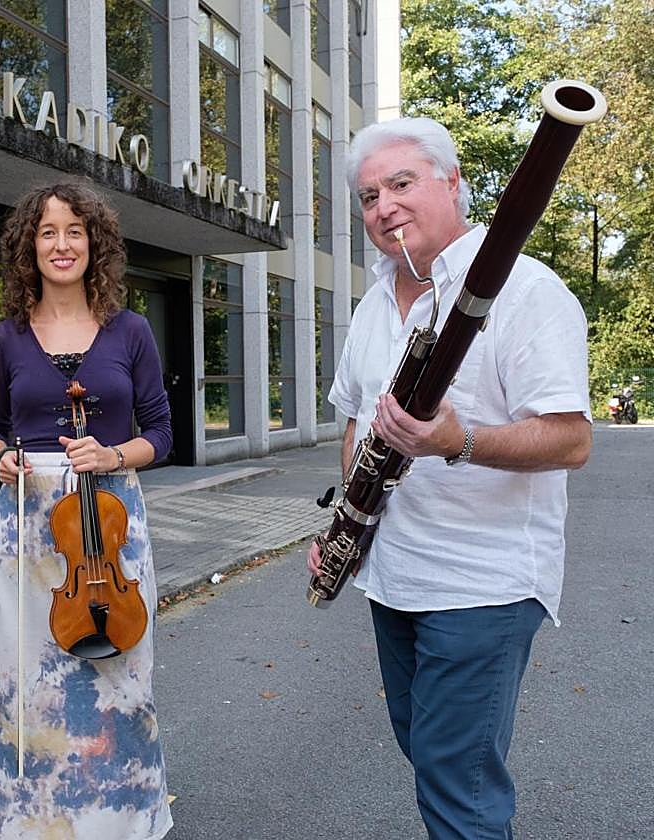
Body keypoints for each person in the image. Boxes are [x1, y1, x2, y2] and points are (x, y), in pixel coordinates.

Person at [310, 116, 592, 839]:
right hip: (394, 577)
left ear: (453, 181)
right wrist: (347, 521)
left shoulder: (527, 291)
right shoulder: (373, 304)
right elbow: (354, 428)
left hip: (484, 584)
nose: (384, 208)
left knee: (456, 782)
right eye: (369, 196)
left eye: (401, 183)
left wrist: (456, 440)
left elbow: (571, 439)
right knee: (430, 753)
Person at [0, 182, 173, 840]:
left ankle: (122, 821)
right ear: (28, 248)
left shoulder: (132, 331)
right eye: (48, 232)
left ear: (96, 245)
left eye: (74, 232)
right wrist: (1, 455)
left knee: (121, 676)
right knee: (30, 682)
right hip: (31, 529)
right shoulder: (5, 338)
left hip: (112, 525)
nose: (62, 244)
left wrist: (114, 455)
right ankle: (37, 824)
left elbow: (162, 434)